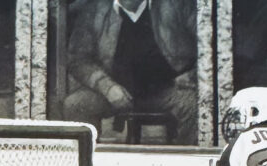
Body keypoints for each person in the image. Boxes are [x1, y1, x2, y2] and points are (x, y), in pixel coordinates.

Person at [64, 0, 197, 144]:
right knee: (76, 105)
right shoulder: (93, 10)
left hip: (168, 90)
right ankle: (86, 163)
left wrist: (192, 75)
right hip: (115, 92)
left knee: (195, 105)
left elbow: (210, 42)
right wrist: (108, 87)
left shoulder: (177, 5)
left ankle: (186, 162)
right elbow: (78, 60)